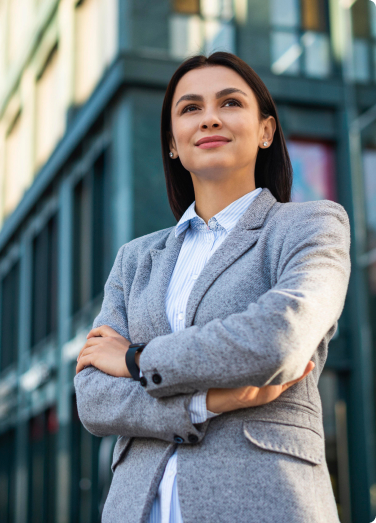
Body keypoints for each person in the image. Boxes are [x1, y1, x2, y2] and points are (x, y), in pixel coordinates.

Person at [74, 52, 350, 523]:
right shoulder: (135, 259)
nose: (210, 119)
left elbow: (276, 341)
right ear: (172, 145)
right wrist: (206, 401)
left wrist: (136, 359)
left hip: (265, 503)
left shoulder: (311, 225)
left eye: (230, 103)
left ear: (265, 131)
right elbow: (94, 399)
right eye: (190, 108)